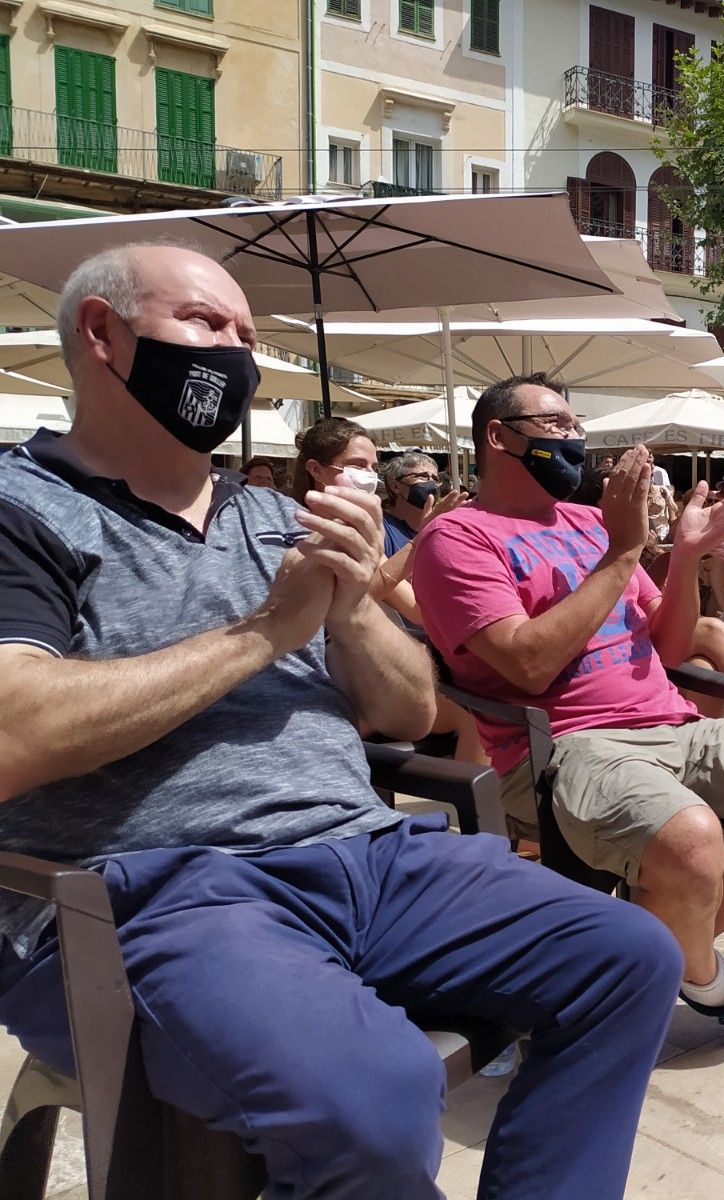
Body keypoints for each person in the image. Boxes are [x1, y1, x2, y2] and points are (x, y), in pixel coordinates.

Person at [0, 244, 681, 1200]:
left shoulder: (274, 514)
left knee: (628, 957)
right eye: (205, 324)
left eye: (247, 333)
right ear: (102, 335)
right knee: (376, 1101)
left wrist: (354, 605)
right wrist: (266, 633)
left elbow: (406, 711)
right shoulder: (20, 508)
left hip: (367, 853)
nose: (235, 352)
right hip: (151, 890)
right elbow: (12, 735)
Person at [412, 374, 724, 1034]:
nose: (575, 439)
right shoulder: (458, 539)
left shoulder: (588, 523)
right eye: (558, 426)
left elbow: (671, 645)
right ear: (499, 436)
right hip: (560, 749)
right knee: (691, 843)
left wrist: (685, 556)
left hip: (673, 725)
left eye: (578, 427)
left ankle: (626, 959)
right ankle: (715, 986)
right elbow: (529, 663)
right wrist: (625, 547)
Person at [293, 419, 485, 764]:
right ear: (316, 470)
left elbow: (412, 608)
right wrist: (422, 541)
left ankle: (474, 810)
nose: (369, 476)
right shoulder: (297, 527)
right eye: (357, 465)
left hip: (367, 665)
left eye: (372, 467)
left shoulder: (363, 531)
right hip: (323, 675)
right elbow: (357, 596)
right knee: (470, 719)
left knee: (477, 715)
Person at [377, 450, 441, 557]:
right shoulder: (380, 530)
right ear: (396, 486)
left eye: (435, 479)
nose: (431, 483)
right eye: (422, 476)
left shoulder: (437, 525)